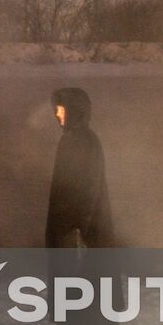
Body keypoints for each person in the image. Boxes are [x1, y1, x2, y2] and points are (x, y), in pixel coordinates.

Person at [44, 87, 115, 249]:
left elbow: (90, 188)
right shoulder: (69, 140)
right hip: (66, 227)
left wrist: (79, 229)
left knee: (85, 271)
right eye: (56, 110)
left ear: (75, 111)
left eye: (62, 110)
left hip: (80, 231)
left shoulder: (85, 141)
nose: (57, 114)